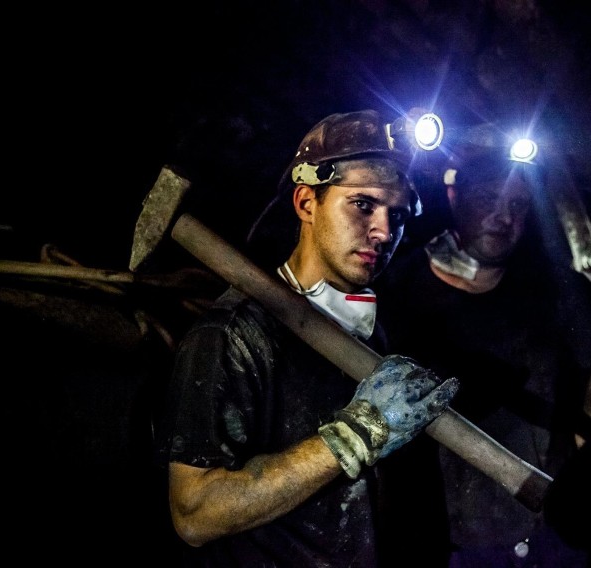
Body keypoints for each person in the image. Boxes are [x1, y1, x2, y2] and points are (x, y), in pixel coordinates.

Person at [156, 109, 460, 567]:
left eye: (396, 215)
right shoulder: (232, 335)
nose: (383, 231)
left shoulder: (380, 332)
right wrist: (354, 436)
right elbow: (194, 513)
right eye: (362, 204)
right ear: (305, 203)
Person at [373, 122, 591, 567]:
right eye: (489, 199)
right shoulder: (396, 291)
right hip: (443, 542)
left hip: (548, 534)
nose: (503, 217)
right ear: (454, 197)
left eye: (517, 205)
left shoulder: (555, 290)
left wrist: (588, 434)